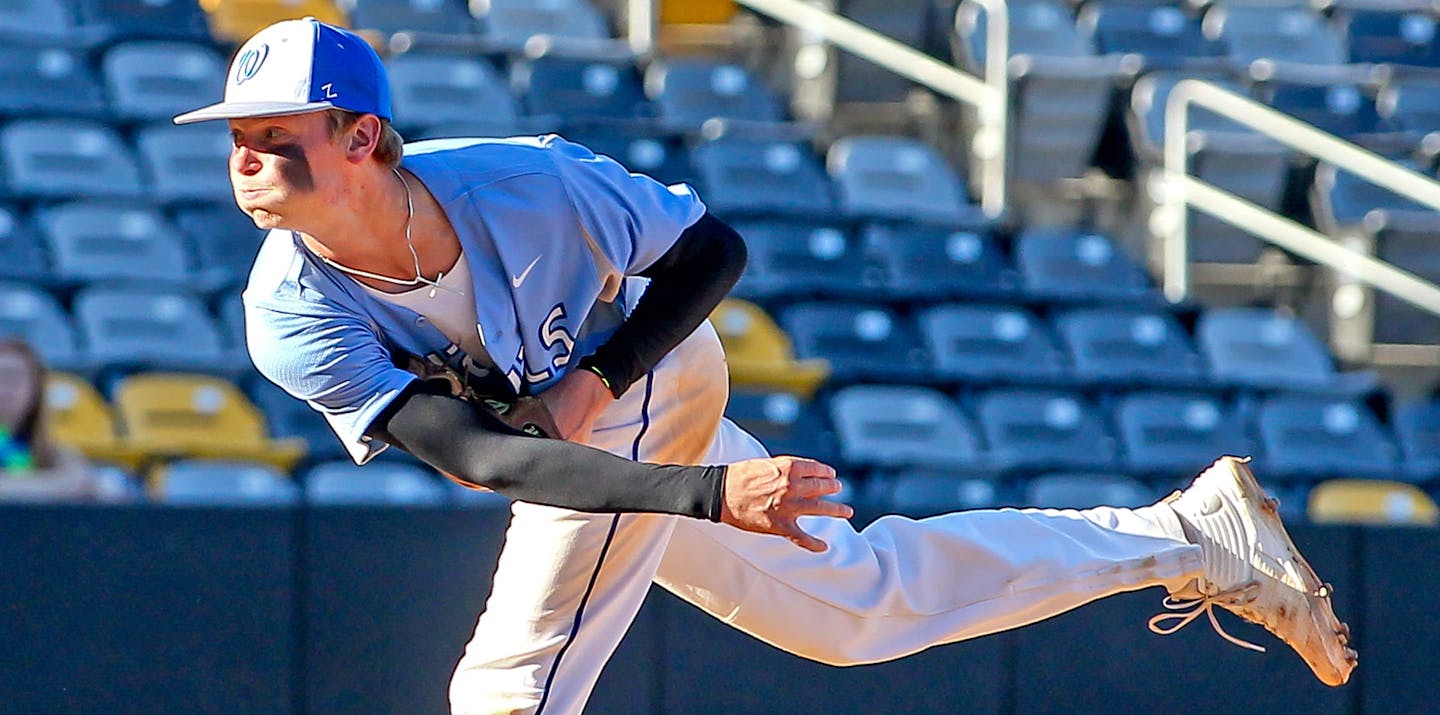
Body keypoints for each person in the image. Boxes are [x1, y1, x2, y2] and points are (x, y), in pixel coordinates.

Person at [175, 18, 1356, 714]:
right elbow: (487, 461)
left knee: (511, 680)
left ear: (363, 137)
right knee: (855, 608)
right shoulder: (289, 308)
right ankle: (1189, 534)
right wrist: (699, 491)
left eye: (276, 138)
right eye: (237, 143)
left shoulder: (525, 181)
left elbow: (710, 251)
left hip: (654, 377)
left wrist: (608, 378)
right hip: (588, 451)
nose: (248, 161)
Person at [0, 338, 104, 502]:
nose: (4, 387)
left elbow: (82, 479)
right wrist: (57, 485)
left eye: (13, 377)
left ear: (36, 389)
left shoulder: (52, 450)